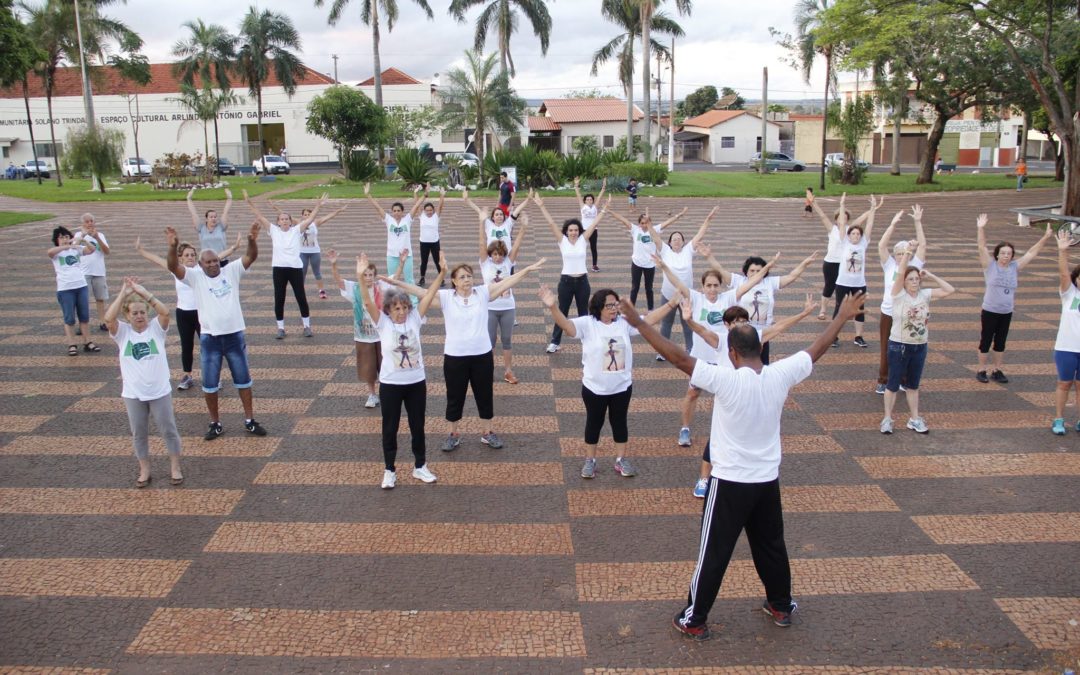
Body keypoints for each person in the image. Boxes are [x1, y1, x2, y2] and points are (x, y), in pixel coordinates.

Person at [624, 287, 868, 641]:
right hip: (766, 481)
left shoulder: (726, 380)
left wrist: (639, 324)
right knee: (771, 547)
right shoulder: (780, 375)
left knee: (714, 552)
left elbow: (679, 358)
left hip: (729, 482)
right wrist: (842, 317)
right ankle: (781, 606)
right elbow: (815, 350)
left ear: (733, 353)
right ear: (760, 349)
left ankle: (694, 619)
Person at [382, 256, 546, 452]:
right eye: (462, 277)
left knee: (484, 395)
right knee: (454, 396)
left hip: (482, 355)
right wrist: (397, 283)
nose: (467, 279)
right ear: (454, 281)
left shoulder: (482, 293)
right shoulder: (446, 297)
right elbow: (422, 292)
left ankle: (487, 432)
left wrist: (527, 269)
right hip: (455, 357)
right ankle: (453, 434)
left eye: (469, 276)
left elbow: (507, 282)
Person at [683, 296, 818, 498]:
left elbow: (779, 327)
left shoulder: (754, 337)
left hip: (751, 392)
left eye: (743, 321)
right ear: (727, 324)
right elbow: (702, 331)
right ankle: (704, 478)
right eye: (735, 321)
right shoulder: (721, 340)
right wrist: (689, 320)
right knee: (717, 438)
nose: (740, 325)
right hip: (729, 394)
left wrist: (803, 313)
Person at [541, 285, 677, 479]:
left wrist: (671, 304)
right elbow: (567, 327)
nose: (614, 309)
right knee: (593, 424)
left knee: (619, 423)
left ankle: (621, 459)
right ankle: (590, 460)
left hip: (621, 387)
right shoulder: (588, 324)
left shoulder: (624, 322)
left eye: (616, 304)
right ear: (599, 307)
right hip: (594, 388)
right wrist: (553, 307)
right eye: (609, 305)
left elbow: (649, 320)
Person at [654, 251, 782, 449]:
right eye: (708, 285)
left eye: (715, 285)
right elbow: (677, 282)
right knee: (693, 393)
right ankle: (685, 429)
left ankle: (739, 430)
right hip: (701, 358)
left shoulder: (729, 298)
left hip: (725, 358)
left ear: (720, 287)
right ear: (702, 287)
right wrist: (663, 267)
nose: (712, 289)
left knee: (731, 396)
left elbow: (751, 282)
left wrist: (768, 267)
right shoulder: (696, 298)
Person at [166, 221, 267, 441]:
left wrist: (251, 240)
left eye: (215, 261)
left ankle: (250, 420)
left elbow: (250, 257)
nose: (213, 265)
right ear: (200, 265)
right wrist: (173, 247)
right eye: (208, 262)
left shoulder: (231, 271)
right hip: (210, 339)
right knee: (210, 385)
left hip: (234, 336)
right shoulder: (195, 278)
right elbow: (173, 266)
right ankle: (215, 423)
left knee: (244, 381)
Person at [357, 251, 445, 488]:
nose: (402, 312)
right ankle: (389, 470)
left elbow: (430, 294)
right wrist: (360, 276)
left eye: (405, 307)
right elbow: (367, 302)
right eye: (397, 308)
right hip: (391, 384)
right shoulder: (382, 323)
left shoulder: (415, 319)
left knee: (418, 426)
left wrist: (443, 273)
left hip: (416, 383)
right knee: (390, 428)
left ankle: (420, 466)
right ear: (388, 309)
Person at [135, 234, 243, 391]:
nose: (190, 257)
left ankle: (215, 377)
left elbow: (219, 256)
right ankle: (187, 375)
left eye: (192, 255)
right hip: (183, 313)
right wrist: (141, 251)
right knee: (186, 346)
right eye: (187, 255)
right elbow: (157, 260)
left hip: (201, 313)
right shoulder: (177, 270)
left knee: (208, 346)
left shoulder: (201, 269)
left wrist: (234, 247)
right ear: (180, 258)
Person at [104, 277, 184, 487]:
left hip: (160, 391)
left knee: (168, 430)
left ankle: (175, 467)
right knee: (139, 433)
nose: (139, 316)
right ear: (127, 316)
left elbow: (165, 312)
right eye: (134, 313)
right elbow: (108, 319)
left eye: (142, 312)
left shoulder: (156, 328)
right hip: (133, 393)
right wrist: (123, 294)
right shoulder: (122, 333)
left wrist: (143, 293)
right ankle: (144, 469)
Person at [880, 251, 955, 434]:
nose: (914, 282)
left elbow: (949, 290)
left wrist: (931, 275)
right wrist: (906, 255)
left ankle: (914, 419)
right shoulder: (897, 294)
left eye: (916, 279)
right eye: (910, 279)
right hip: (899, 346)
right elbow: (900, 273)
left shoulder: (925, 295)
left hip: (920, 346)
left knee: (913, 385)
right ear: (904, 281)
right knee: (892, 384)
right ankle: (887, 419)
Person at [975, 213, 1052, 384]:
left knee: (1000, 342)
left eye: (1009, 253)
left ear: (1012, 256)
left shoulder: (1015, 267)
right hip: (990, 310)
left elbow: (1032, 252)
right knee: (986, 340)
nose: (1006, 256)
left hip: (1006, 311)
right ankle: (981, 369)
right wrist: (981, 228)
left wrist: (1046, 237)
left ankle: (997, 370)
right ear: (997, 254)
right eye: (1003, 253)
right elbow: (981, 246)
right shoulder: (990, 266)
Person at [328, 248, 407, 409]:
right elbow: (339, 281)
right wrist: (334, 265)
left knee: (386, 364)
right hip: (363, 335)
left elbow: (395, 278)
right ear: (360, 275)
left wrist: (401, 263)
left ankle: (387, 392)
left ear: (374, 275)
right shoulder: (355, 288)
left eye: (371, 274)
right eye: (365, 275)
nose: (368, 278)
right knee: (368, 367)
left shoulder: (381, 286)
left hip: (382, 334)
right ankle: (372, 394)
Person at [534, 191, 611, 353]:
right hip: (566, 282)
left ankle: (587, 342)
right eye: (570, 230)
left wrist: (604, 210)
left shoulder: (583, 240)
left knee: (584, 313)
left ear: (579, 231)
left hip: (583, 282)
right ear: (566, 231)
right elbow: (551, 224)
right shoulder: (562, 241)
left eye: (576, 230)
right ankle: (555, 341)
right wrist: (541, 207)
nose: (573, 232)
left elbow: (594, 223)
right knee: (562, 311)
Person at [244, 191, 327, 338]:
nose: (284, 221)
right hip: (279, 269)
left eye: (287, 219)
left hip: (295, 268)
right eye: (282, 219)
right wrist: (249, 202)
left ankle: (307, 326)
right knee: (279, 298)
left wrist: (318, 205)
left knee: (301, 297)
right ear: (278, 222)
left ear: (290, 221)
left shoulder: (296, 230)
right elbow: (260, 216)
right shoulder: (273, 230)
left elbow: (310, 219)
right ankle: (280, 328)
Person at [640, 206, 716, 356]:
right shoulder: (665, 250)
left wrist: (708, 220)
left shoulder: (688, 250)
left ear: (683, 242)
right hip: (668, 295)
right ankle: (663, 352)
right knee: (666, 324)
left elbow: (699, 235)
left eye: (679, 239)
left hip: (687, 296)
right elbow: (655, 237)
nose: (677, 240)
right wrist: (648, 224)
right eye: (674, 239)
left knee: (688, 324)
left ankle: (691, 350)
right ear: (669, 242)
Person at [728, 251, 818, 365]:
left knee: (762, 364)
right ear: (746, 271)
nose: (755, 273)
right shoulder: (739, 281)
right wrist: (709, 257)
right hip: (742, 333)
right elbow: (719, 271)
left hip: (764, 333)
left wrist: (804, 263)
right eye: (752, 270)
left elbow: (791, 276)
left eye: (759, 270)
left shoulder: (769, 282)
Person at [874, 206, 926, 394]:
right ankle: (883, 379)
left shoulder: (914, 266)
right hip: (889, 313)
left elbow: (923, 246)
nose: (902, 256)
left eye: (905, 253)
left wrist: (918, 222)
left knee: (907, 347)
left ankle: (903, 379)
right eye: (899, 253)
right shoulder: (889, 265)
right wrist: (892, 225)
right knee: (887, 347)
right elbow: (881, 246)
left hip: (908, 314)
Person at [479, 208, 530, 384]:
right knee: (490, 341)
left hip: (508, 307)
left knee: (507, 340)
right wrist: (481, 223)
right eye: (494, 254)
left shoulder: (508, 262)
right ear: (490, 254)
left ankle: (508, 371)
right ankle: (487, 371)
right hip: (490, 308)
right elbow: (482, 242)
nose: (498, 257)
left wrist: (523, 228)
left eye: (500, 254)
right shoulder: (485, 264)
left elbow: (517, 245)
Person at [608, 207, 687, 311]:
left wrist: (679, 215)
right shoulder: (635, 229)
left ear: (649, 222)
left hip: (650, 265)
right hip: (636, 264)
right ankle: (631, 308)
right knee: (634, 288)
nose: (644, 225)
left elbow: (668, 222)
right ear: (639, 224)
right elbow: (622, 219)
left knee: (649, 288)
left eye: (646, 223)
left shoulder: (654, 230)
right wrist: (610, 211)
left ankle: (650, 309)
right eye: (642, 223)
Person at [268, 198, 348, 300]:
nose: (307, 216)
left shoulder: (315, 223)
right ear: (302, 216)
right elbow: (284, 216)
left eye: (309, 214)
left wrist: (339, 210)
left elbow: (329, 216)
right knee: (302, 273)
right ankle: (301, 291)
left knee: (317, 272)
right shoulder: (298, 223)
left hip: (315, 252)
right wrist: (274, 207)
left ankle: (321, 291)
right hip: (302, 253)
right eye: (305, 215)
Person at [811, 192, 874, 321]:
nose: (842, 220)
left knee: (841, 289)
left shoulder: (850, 230)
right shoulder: (832, 228)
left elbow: (863, 219)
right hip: (831, 262)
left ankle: (840, 312)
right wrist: (814, 203)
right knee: (829, 286)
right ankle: (823, 310)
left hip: (844, 263)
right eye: (840, 217)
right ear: (836, 219)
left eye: (845, 218)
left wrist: (873, 209)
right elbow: (822, 216)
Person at [830, 195, 882, 347]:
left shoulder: (863, 244)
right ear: (848, 235)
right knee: (839, 307)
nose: (856, 236)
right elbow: (841, 223)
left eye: (858, 234)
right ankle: (833, 336)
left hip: (859, 283)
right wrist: (842, 204)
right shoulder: (844, 243)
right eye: (853, 233)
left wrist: (873, 208)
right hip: (842, 282)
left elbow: (870, 224)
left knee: (859, 309)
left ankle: (858, 336)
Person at [363, 182, 425, 293]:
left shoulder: (407, 219)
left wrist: (424, 195)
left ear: (402, 211)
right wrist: (368, 195)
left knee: (409, 280)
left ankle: (413, 300)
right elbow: (377, 207)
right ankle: (392, 299)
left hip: (407, 255)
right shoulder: (388, 219)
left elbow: (416, 206)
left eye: (399, 211)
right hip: (392, 255)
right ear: (392, 212)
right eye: (394, 211)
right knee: (391, 280)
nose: (396, 213)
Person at [48, 226, 100, 355]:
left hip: (81, 286)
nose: (65, 239)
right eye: (61, 237)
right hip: (65, 288)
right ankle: (72, 344)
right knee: (69, 318)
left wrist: (83, 240)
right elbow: (50, 252)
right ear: (57, 240)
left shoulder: (76, 249)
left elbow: (91, 249)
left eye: (66, 237)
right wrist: (66, 246)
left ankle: (88, 342)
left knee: (84, 316)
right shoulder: (57, 253)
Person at [1051, 229, 1080, 435]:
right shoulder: (1069, 294)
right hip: (1066, 348)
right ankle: (1059, 419)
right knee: (1064, 383)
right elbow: (1063, 273)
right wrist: (1063, 251)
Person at [73, 213, 110, 331]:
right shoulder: (78, 235)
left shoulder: (100, 235)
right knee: (83, 300)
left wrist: (97, 237)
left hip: (99, 271)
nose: (90, 223)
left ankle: (102, 322)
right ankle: (82, 324)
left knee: (100, 298)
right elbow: (72, 249)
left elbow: (107, 251)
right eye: (87, 221)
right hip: (84, 272)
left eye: (91, 221)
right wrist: (83, 236)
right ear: (82, 223)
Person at [186, 187, 233, 262]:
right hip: (206, 261)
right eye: (211, 217)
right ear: (206, 219)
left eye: (215, 217)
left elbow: (225, 212)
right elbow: (194, 213)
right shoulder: (201, 228)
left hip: (222, 260)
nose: (213, 218)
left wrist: (229, 198)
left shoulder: (221, 227)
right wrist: (189, 199)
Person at [575, 176, 607, 272]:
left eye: (591, 199)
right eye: (587, 199)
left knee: (594, 248)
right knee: (581, 248)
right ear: (585, 201)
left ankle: (594, 265)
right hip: (584, 230)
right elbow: (578, 195)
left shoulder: (595, 207)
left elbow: (600, 196)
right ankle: (579, 265)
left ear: (593, 200)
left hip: (594, 230)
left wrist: (603, 187)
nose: (589, 200)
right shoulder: (583, 206)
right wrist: (576, 185)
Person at [417, 184, 445, 286]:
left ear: (433, 210)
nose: (429, 212)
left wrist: (442, 195)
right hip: (423, 242)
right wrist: (416, 193)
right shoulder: (421, 216)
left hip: (434, 242)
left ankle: (441, 279)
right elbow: (417, 204)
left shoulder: (436, 216)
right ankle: (422, 278)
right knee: (423, 261)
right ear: (424, 211)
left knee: (437, 261)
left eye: (430, 210)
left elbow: (440, 205)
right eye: (427, 210)